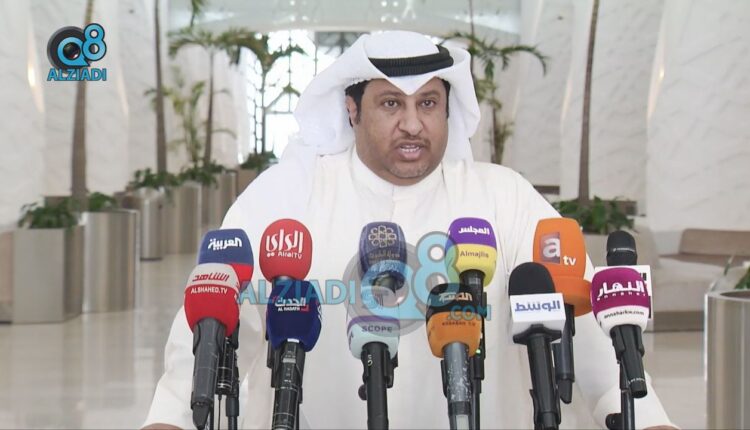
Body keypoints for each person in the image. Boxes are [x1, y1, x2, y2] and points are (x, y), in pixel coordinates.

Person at [143, 31, 676, 429]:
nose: (414, 123)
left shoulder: (504, 197)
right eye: (391, 104)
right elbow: (210, 322)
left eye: (428, 103)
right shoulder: (285, 197)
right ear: (351, 110)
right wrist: (171, 415)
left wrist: (644, 415)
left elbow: (582, 325)